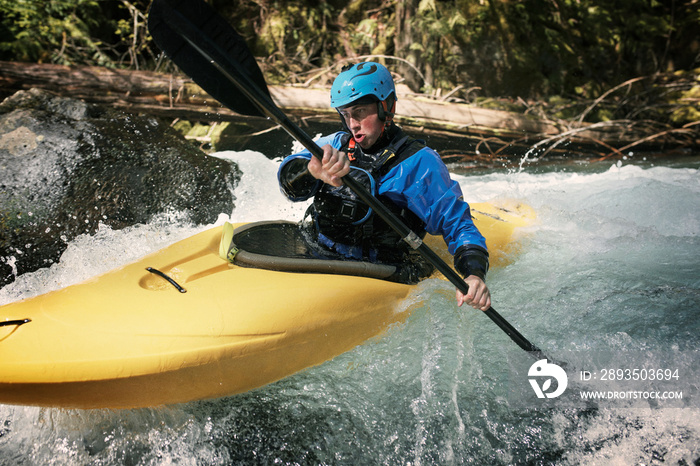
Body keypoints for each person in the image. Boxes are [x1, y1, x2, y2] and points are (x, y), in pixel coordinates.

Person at [277, 62, 491, 311]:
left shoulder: (418, 163)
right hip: (321, 257)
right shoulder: (334, 144)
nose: (352, 124)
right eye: (345, 114)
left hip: (383, 273)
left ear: (386, 107)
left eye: (360, 112)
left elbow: (458, 225)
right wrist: (311, 171)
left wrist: (474, 274)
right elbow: (289, 181)